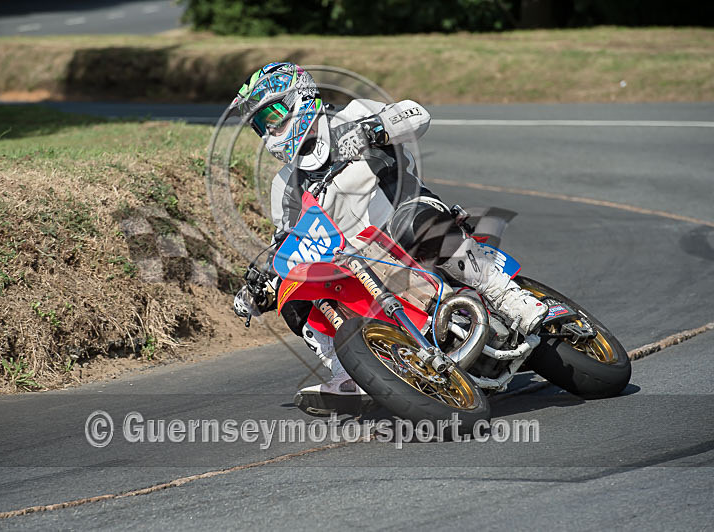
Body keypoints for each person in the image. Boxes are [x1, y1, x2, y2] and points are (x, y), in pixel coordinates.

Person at [230, 62, 546, 415]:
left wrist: (374, 130)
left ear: (299, 97)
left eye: (273, 114)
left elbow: (416, 115)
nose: (270, 128)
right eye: (261, 123)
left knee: (410, 222)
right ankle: (345, 366)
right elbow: (286, 240)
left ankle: (507, 294)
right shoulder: (283, 185)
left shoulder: (352, 114)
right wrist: (266, 283)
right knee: (294, 294)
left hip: (408, 217)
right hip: (357, 261)